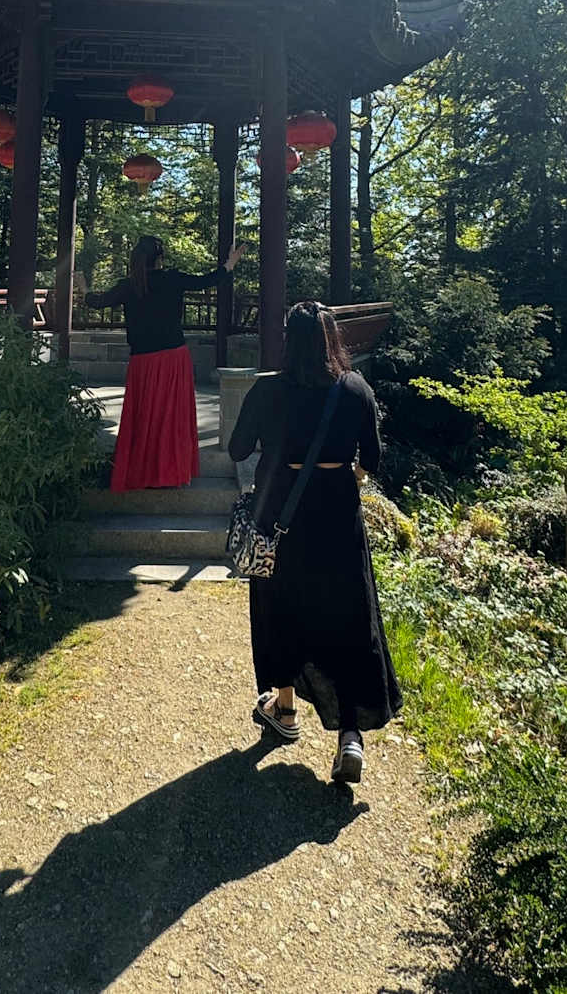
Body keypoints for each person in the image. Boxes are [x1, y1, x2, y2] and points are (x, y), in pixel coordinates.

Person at [228, 300, 402, 785]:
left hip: (279, 516)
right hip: (337, 517)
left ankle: (284, 710)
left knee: (279, 607)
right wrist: (347, 474)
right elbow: (372, 459)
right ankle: (350, 736)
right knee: (348, 616)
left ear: (288, 341)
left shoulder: (267, 389)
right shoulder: (355, 388)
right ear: (332, 339)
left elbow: (238, 449)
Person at [76, 236, 241, 491]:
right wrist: (229, 265)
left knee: (144, 417)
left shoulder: (129, 286)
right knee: (171, 416)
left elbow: (98, 302)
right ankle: (171, 472)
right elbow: (206, 281)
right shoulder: (172, 279)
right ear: (160, 259)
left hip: (143, 361)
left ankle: (143, 471)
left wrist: (84, 288)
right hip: (174, 358)